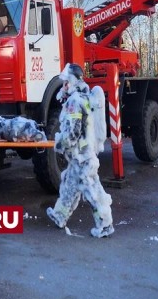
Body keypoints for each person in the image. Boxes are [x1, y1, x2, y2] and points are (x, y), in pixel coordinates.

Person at [46, 63, 114, 238]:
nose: (63, 87)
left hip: (82, 157)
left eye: (65, 83)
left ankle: (105, 224)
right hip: (80, 155)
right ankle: (60, 216)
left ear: (72, 82)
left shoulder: (74, 102)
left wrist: (60, 143)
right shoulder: (84, 97)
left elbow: (73, 133)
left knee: (91, 190)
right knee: (69, 184)